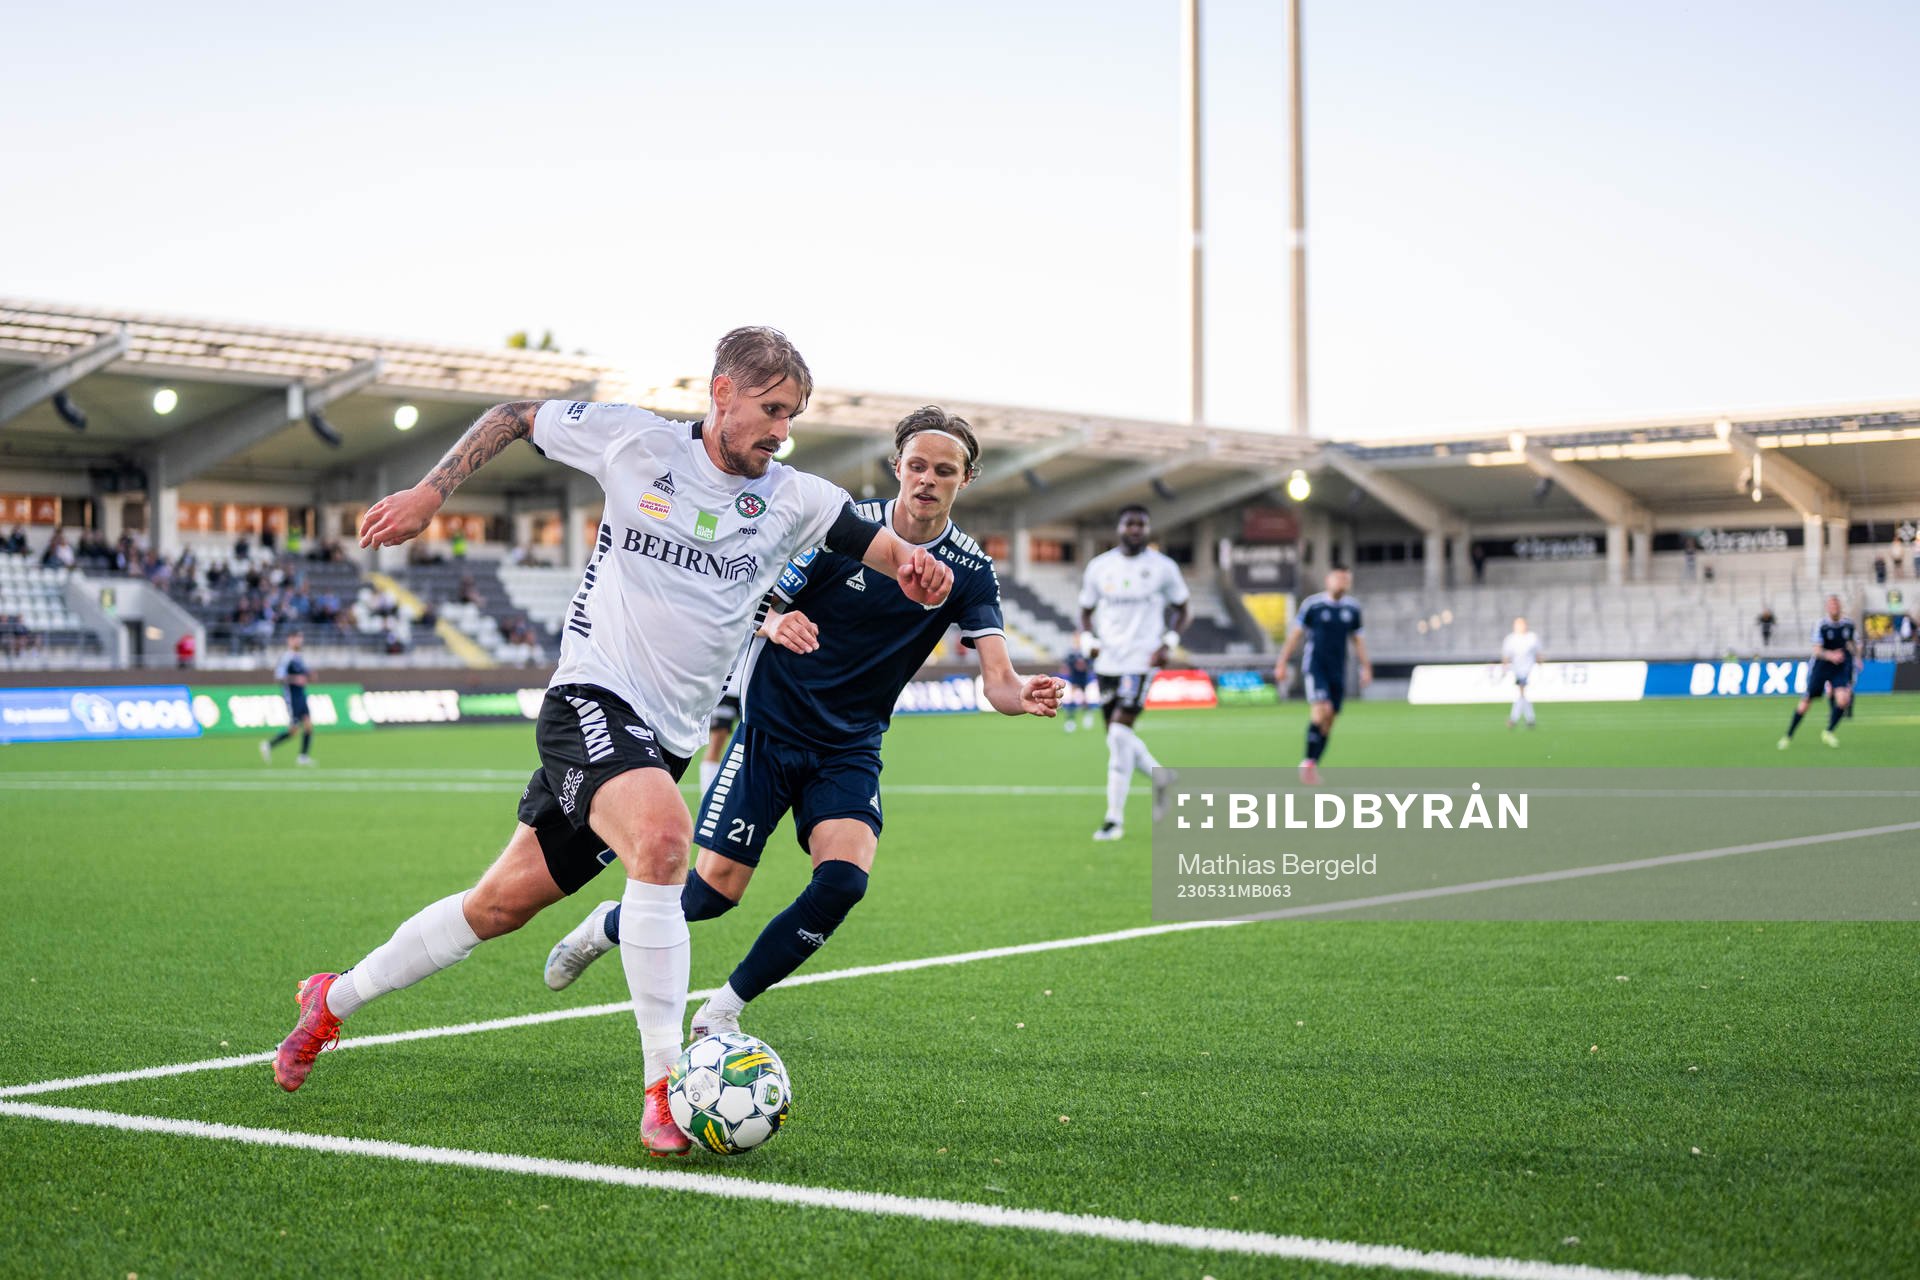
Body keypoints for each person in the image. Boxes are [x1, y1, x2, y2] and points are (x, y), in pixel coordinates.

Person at [269, 327, 953, 1161]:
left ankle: (331, 1001)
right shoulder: (635, 441)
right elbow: (514, 415)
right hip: (590, 698)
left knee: (497, 906)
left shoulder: (797, 497)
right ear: (722, 392)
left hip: (665, 741)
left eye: (793, 416)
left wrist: (915, 567)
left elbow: (879, 546)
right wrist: (429, 492)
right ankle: (664, 1087)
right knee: (664, 842)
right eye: (772, 410)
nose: (782, 430)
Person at [544, 406, 1060, 1036]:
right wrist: (774, 621)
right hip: (771, 731)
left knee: (843, 883)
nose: (927, 479)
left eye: (944, 470)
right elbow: (744, 596)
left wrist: (1023, 693)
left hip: (850, 746)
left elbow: (998, 682)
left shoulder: (970, 570)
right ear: (898, 467)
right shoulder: (847, 531)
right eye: (917, 465)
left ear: (966, 478)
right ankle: (604, 926)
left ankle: (722, 1011)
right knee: (710, 895)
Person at [1078, 505, 1190, 841]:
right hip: (1107, 662)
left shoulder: (1163, 568)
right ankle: (1162, 778)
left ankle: (1114, 819)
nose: (1136, 529)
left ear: (1148, 529)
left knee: (1117, 735)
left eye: (1142, 524)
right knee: (1119, 738)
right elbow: (1085, 610)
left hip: (1141, 659)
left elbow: (1183, 608)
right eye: (1130, 524)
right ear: (1120, 527)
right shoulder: (1100, 567)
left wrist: (1168, 642)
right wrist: (1089, 639)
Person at [1275, 567, 1370, 785]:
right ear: (1328, 580)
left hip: (1338, 669)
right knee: (1321, 711)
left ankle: (1312, 763)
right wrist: (1282, 662)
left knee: (1329, 720)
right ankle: (1307, 764)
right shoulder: (1313, 605)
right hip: (1315, 667)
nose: (1341, 582)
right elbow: (1295, 635)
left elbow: (1358, 641)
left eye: (1345, 578)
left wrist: (1366, 667)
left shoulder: (1352, 609)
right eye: (1338, 578)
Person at [1778, 595, 1856, 750]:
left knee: (1843, 699)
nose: (1834, 608)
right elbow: (1817, 650)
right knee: (1806, 703)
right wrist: (1831, 655)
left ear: (1840, 607)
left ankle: (1828, 732)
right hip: (1821, 667)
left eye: (1836, 605)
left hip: (1838, 667)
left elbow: (1854, 643)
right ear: (1827, 608)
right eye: (1831, 605)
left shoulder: (1849, 624)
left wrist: (1855, 657)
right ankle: (1788, 735)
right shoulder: (1821, 625)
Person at [259, 631, 314, 765]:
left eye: (300, 638)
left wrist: (310, 676)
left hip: (301, 694)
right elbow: (278, 676)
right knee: (294, 730)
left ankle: (303, 756)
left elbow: (305, 675)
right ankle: (268, 745)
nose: (299, 641)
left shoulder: (299, 657)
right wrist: (296, 679)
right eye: (296, 638)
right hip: (292, 697)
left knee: (308, 725)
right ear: (290, 640)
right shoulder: (286, 657)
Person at [1500, 616, 1540, 728]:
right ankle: (1529, 719)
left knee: (1522, 694)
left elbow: (1538, 653)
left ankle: (1515, 719)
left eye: (1522, 624)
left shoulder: (1532, 638)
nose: (1520, 626)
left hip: (1530, 670)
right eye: (1518, 624)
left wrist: (1541, 666)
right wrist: (1504, 668)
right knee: (1522, 694)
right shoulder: (1510, 639)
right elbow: (1506, 656)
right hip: (1517, 670)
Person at [699, 692, 740, 795]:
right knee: (716, 742)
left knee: (754, 742)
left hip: (751, 690)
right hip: (728, 692)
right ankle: (707, 796)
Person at [1060, 647, 1095, 732]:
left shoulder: (1086, 654)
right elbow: (1065, 667)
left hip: (1083, 680)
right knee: (1073, 699)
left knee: (1083, 700)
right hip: (1074, 680)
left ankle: (1087, 715)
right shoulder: (1071, 655)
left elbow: (1090, 666)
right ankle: (1070, 720)